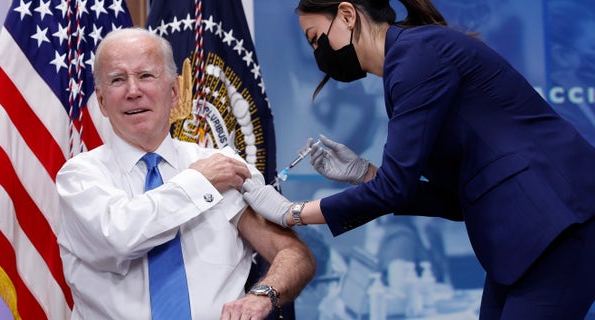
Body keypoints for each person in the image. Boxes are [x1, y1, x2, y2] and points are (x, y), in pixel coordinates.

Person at [241, 0, 595, 318]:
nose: (320, 53)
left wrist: (292, 214)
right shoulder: (410, 61)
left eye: (317, 38)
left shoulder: (416, 57)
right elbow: (456, 201)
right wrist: (365, 173)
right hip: (529, 238)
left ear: (348, 15)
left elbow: (393, 189)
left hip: (559, 223)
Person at [55, 27, 315, 320]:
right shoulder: (79, 177)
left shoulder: (223, 167)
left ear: (175, 91)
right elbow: (120, 235)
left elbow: (294, 254)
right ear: (102, 102)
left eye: (145, 76)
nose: (133, 91)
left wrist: (263, 294)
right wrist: (198, 182)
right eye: (117, 80)